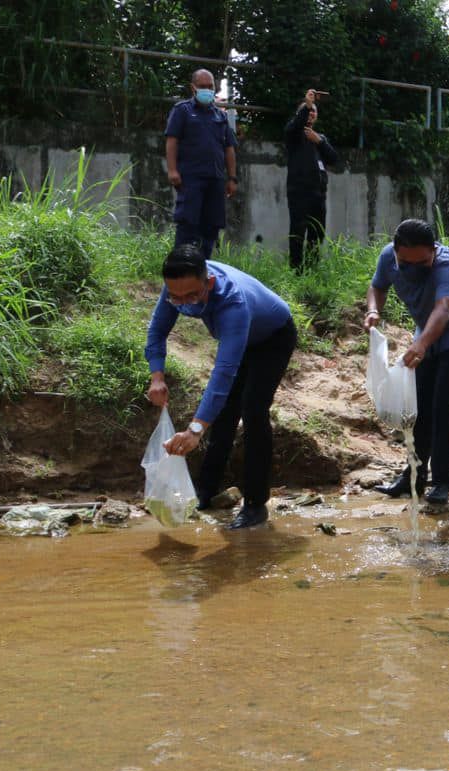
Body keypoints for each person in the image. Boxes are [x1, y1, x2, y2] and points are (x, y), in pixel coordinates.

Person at [144, 244, 296, 529]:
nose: (183, 301)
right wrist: (157, 376)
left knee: (253, 410)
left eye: (191, 296)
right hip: (240, 337)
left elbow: (223, 373)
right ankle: (206, 490)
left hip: (272, 338)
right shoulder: (177, 289)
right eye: (176, 297)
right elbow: (157, 331)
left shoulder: (232, 304)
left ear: (209, 282)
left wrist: (196, 429)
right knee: (224, 412)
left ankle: (255, 504)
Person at [365, 219, 449, 505]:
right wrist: (372, 310)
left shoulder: (446, 265)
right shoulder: (388, 257)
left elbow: (444, 309)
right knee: (419, 406)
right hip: (426, 330)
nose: (413, 269)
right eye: (406, 263)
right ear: (396, 252)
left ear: (433, 251)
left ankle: (442, 482)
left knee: (441, 403)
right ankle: (412, 477)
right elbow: (377, 287)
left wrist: (420, 344)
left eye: (422, 263)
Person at [164, 69, 238, 259]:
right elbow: (172, 140)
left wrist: (232, 178)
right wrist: (172, 170)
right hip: (190, 179)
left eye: (210, 86)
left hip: (215, 180)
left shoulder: (220, 116)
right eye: (203, 86)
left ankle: (203, 268)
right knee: (188, 224)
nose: (207, 90)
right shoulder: (182, 111)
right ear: (193, 88)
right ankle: (181, 268)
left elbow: (229, 148)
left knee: (212, 226)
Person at [285, 88, 341, 271]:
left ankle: (312, 270)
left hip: (318, 194)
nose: (310, 114)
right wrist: (307, 104)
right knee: (298, 233)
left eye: (313, 111)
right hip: (299, 192)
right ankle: (296, 271)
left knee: (316, 233)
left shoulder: (319, 138)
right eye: (307, 111)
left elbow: (334, 159)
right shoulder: (293, 134)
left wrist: (320, 142)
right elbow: (295, 125)